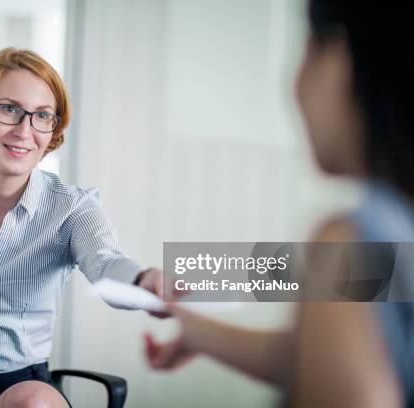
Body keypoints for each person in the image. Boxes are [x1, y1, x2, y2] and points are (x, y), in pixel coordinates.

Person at [145, 0, 412, 406]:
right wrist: (198, 331)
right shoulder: (393, 228)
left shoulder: (350, 239)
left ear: (340, 58)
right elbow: (340, 356)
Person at [0, 47, 164, 408]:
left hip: (20, 386)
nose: (25, 130)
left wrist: (143, 280)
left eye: (42, 116)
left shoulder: (71, 208)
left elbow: (106, 262)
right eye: (10, 109)